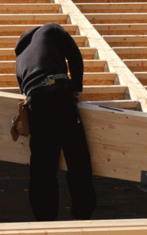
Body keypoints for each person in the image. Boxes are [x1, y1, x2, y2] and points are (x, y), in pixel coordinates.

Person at [14, 23, 96, 221]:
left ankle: (45, 221)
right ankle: (83, 216)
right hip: (59, 94)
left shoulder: (20, 58)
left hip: (37, 102)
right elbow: (75, 56)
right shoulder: (50, 29)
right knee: (77, 159)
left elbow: (24, 92)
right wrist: (77, 87)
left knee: (43, 166)